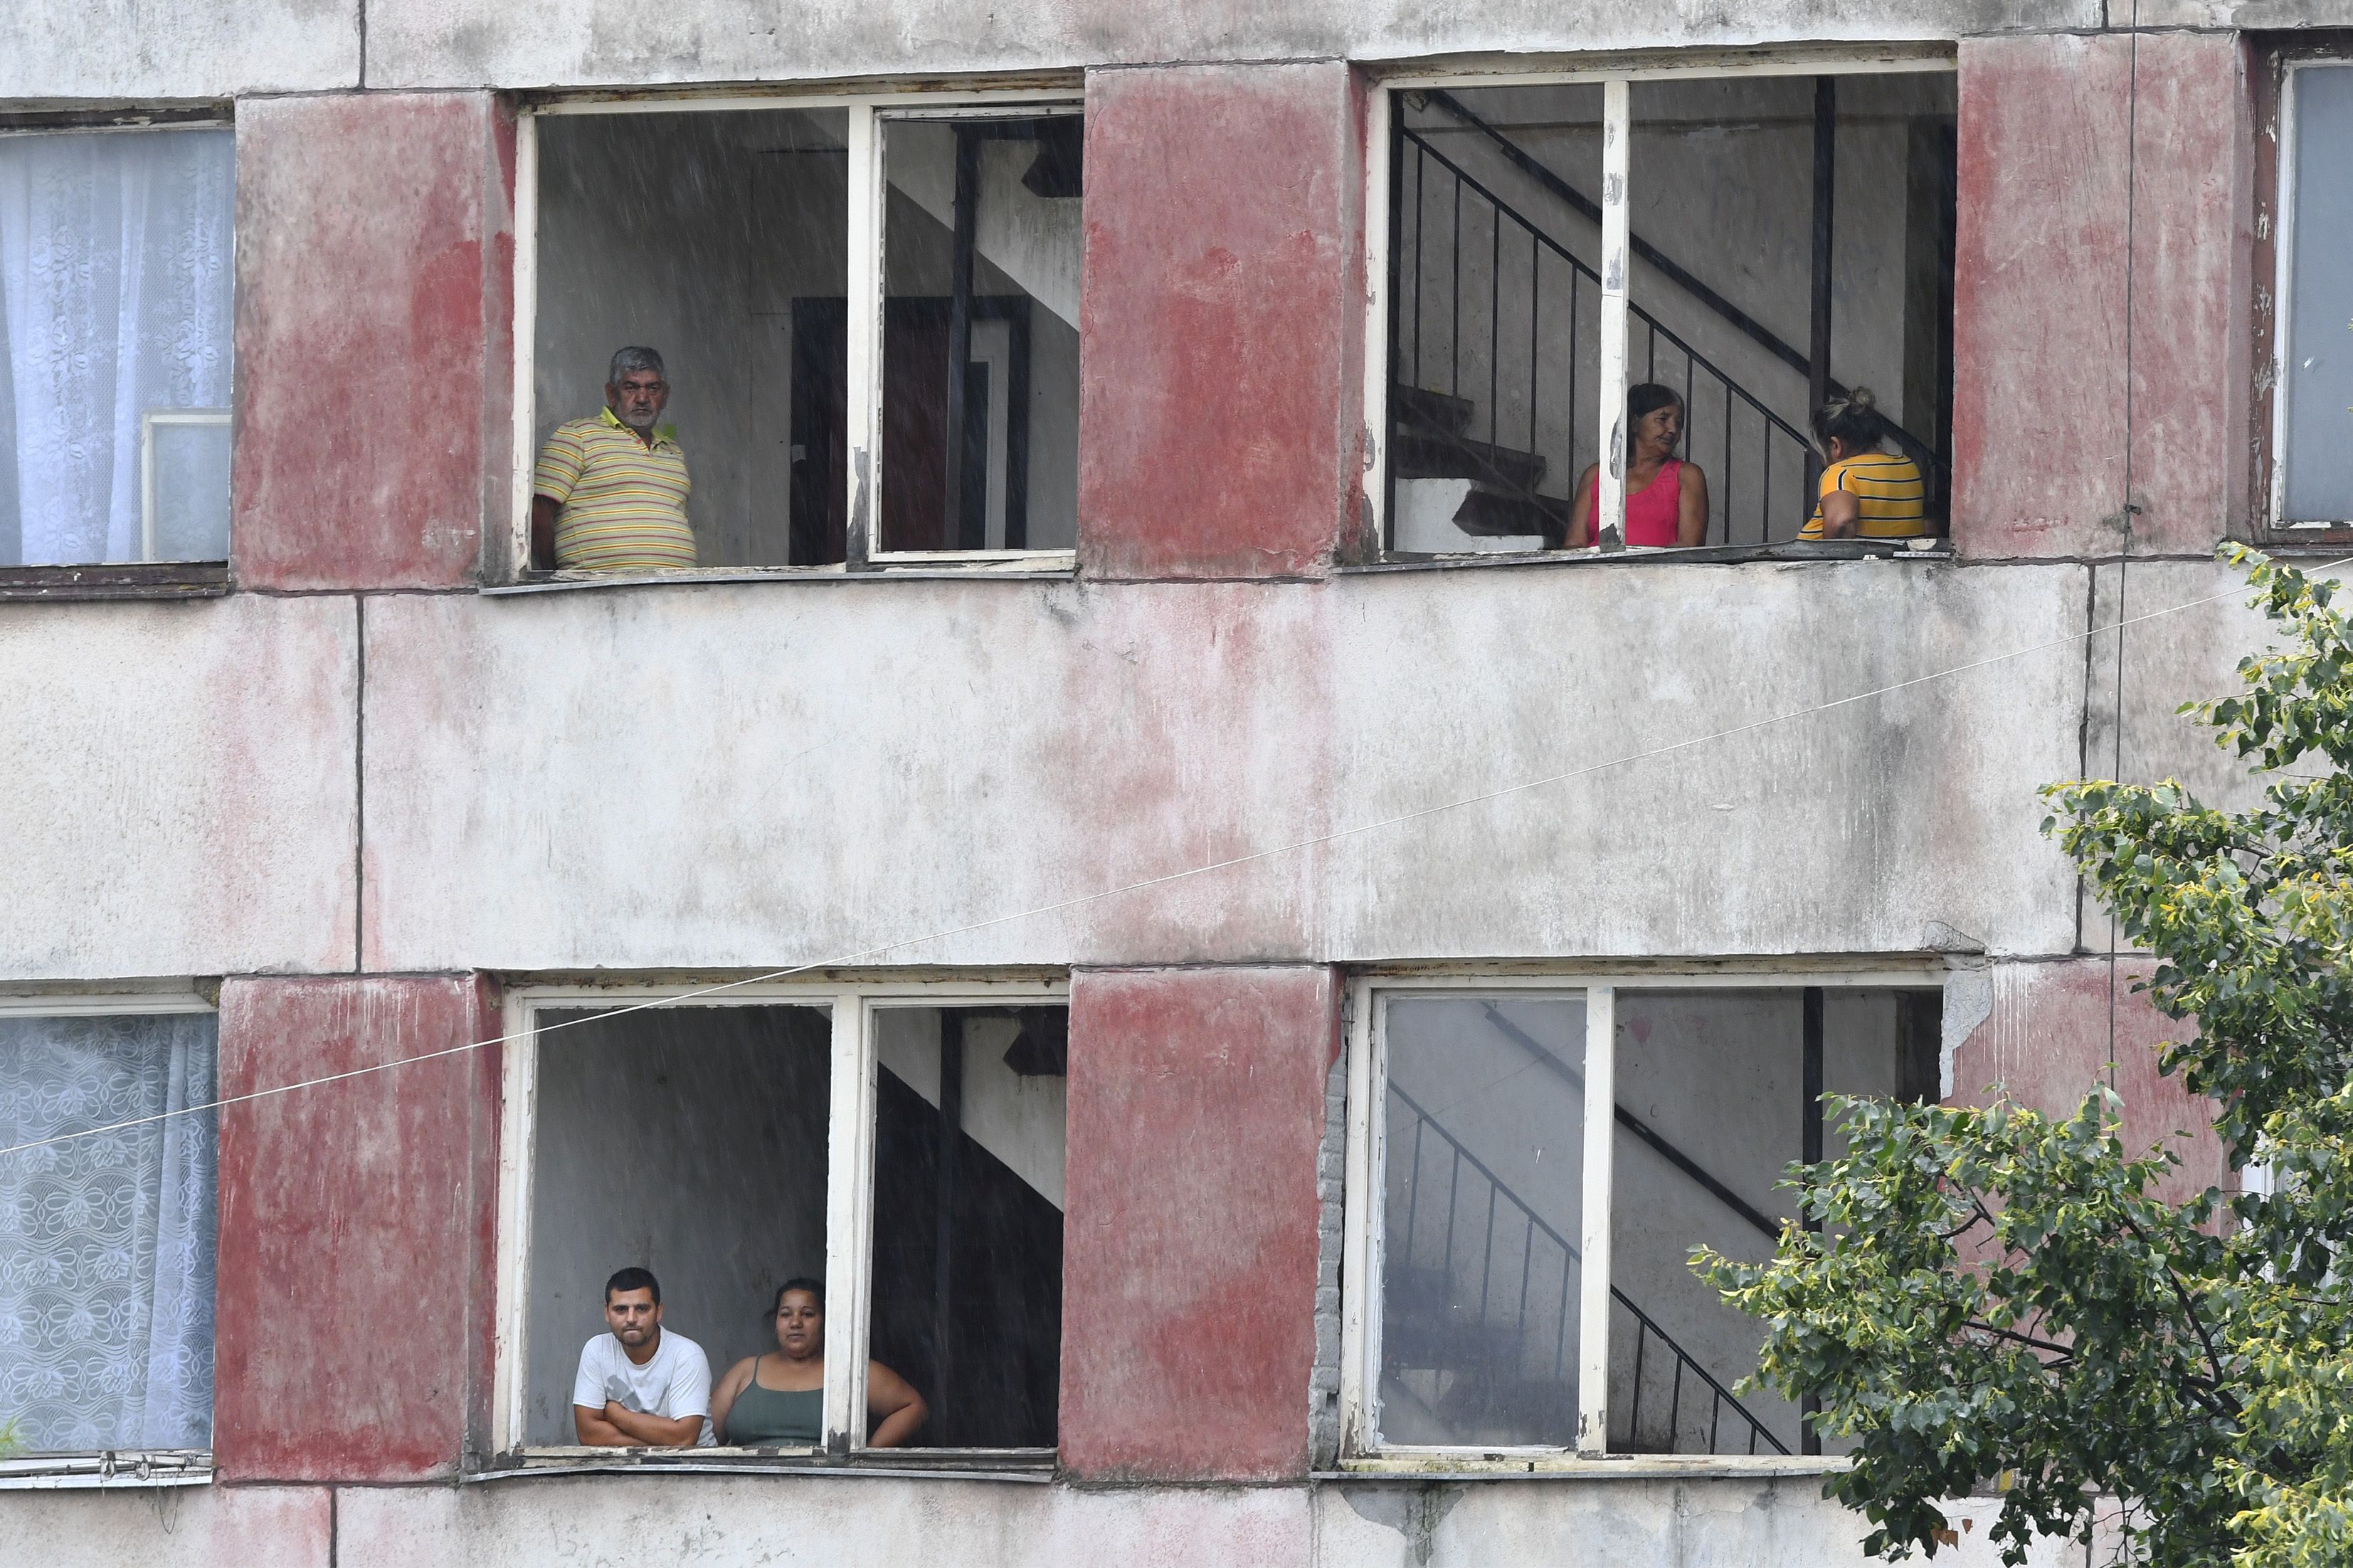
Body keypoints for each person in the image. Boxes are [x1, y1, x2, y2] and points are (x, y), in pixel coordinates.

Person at [532, 346, 698, 571]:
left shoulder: (674, 452)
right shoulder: (577, 436)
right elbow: (538, 514)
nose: (642, 398)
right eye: (631, 387)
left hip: (677, 588)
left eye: (653, 388)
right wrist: (555, 577)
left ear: (665, 395)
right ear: (612, 393)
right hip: (597, 588)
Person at [711, 1277, 928, 1448]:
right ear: (776, 1323)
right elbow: (705, 1438)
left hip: (829, 1488)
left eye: (808, 1314)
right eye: (786, 1314)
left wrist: (867, 1455)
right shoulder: (745, 1371)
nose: (796, 1322)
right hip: (745, 1487)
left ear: (825, 1321)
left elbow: (913, 1407)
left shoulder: (850, 1370)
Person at [571, 1266, 714, 1447]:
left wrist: (617, 1415)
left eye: (642, 1309)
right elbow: (588, 1435)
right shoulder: (597, 1350)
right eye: (621, 1310)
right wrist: (663, 1441)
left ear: (659, 1312)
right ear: (607, 1313)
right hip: (618, 1464)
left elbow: (683, 1439)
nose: (631, 1318)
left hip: (694, 1464)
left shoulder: (687, 1355)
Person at [1567, 383, 1710, 549]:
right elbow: (1575, 544)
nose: (1673, 429)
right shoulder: (1597, 475)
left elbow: (1688, 546)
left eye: (1678, 423)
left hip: (1662, 567)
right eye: (1663, 419)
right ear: (1635, 423)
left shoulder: (1686, 475)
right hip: (1598, 567)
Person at [1797, 386, 1928, 541]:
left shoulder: (1841, 473)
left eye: (1822, 452)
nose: (1823, 461)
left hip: (1836, 558)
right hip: (1895, 556)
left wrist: (1835, 555)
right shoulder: (1908, 467)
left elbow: (1841, 522)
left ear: (1835, 445)